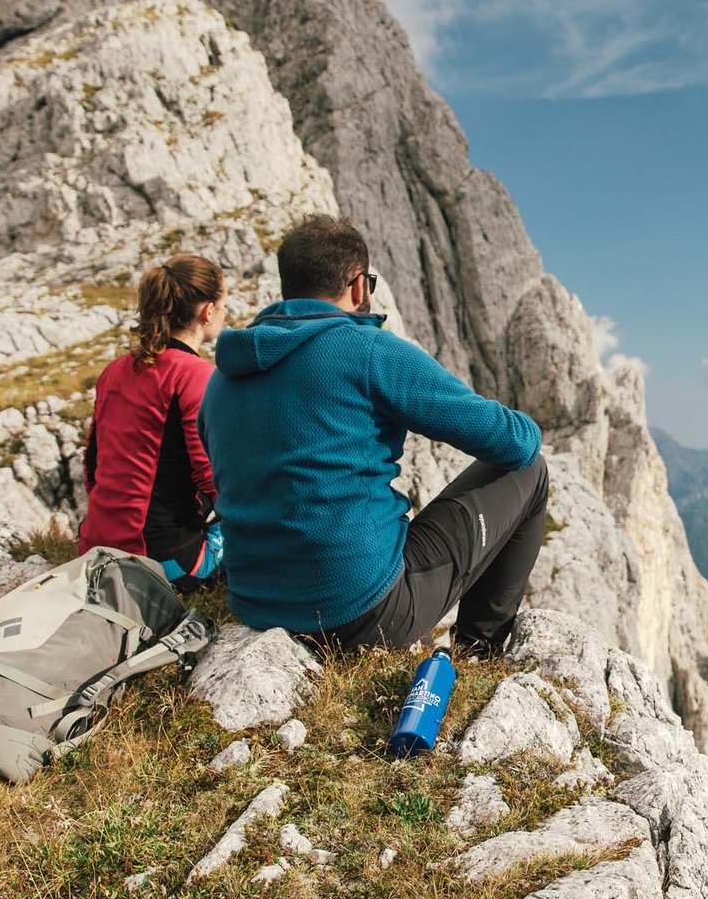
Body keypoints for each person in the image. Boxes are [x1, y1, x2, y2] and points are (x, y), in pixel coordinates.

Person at [199, 214, 548, 654]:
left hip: (256, 605)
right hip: (362, 613)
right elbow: (514, 442)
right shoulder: (367, 351)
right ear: (359, 286)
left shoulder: (219, 382)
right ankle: (478, 651)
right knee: (531, 470)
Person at [79, 253, 229, 593]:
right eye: (223, 303)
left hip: (94, 549)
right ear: (207, 311)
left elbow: (92, 465)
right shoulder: (196, 375)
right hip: (160, 562)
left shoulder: (115, 370)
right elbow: (212, 477)